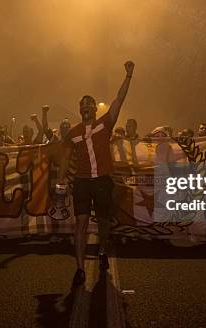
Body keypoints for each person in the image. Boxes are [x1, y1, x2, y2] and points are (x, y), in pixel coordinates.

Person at [57, 60, 135, 285]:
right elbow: (65, 158)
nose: (87, 106)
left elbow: (119, 100)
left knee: (102, 222)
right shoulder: (73, 133)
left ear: (95, 109)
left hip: (102, 181)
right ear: (80, 109)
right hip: (82, 183)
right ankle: (80, 268)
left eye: (90, 103)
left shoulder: (105, 123)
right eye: (83, 103)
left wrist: (128, 76)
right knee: (80, 224)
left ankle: (102, 250)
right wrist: (60, 181)